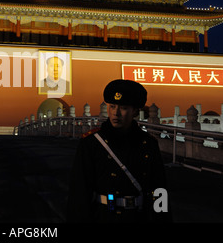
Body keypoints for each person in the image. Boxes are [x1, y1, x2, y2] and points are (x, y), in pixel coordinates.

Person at [67, 79, 171, 222]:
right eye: (112, 106)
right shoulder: (92, 143)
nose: (116, 113)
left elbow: (160, 189)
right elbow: (79, 192)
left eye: (123, 107)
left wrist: (163, 219)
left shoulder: (148, 143)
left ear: (134, 111)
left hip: (139, 217)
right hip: (104, 216)